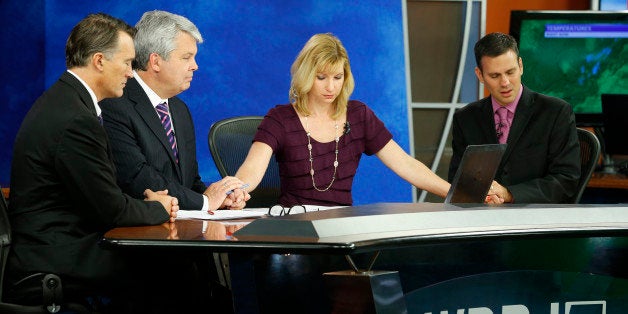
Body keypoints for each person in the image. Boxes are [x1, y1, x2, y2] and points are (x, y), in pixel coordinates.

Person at [5, 13, 185, 311]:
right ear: (99, 60)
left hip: (55, 245)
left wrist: (143, 202)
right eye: (127, 62)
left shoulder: (66, 101)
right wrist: (158, 207)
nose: (131, 72)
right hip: (54, 254)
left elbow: (101, 194)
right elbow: (111, 210)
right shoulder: (76, 119)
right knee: (170, 268)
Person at [234, 33, 450, 206]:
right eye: (321, 77)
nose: (331, 87)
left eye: (338, 77)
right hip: (295, 226)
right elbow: (251, 169)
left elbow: (406, 164)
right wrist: (237, 191)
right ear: (306, 75)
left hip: (342, 226)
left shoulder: (359, 115)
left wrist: (454, 193)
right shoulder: (280, 118)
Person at [100, 10, 249, 212]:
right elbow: (136, 177)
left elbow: (189, 181)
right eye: (186, 57)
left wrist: (221, 198)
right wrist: (205, 202)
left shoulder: (180, 110)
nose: (195, 66)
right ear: (155, 61)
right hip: (140, 230)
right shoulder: (115, 104)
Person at [449, 32, 580, 204]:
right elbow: (458, 180)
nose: (505, 83)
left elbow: (566, 181)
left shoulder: (555, 112)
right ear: (480, 75)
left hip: (537, 218)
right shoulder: (465, 118)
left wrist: (509, 194)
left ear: (521, 66)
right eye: (495, 76)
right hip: (483, 217)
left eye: (510, 72)